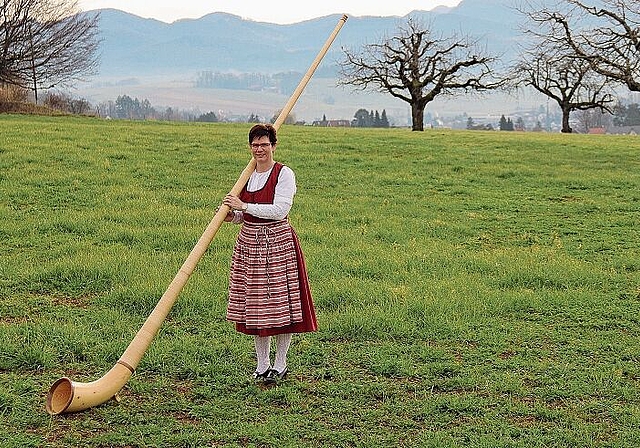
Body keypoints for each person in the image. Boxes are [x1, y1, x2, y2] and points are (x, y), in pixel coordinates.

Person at [222, 123, 317, 385]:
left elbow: (279, 210)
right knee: (256, 306)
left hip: (277, 242)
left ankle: (280, 363)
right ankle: (262, 364)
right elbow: (245, 214)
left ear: (274, 146)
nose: (259, 149)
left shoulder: (284, 174)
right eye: (255, 145)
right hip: (249, 243)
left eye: (264, 144)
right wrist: (234, 215)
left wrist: (244, 205)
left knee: (279, 305)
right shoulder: (247, 175)